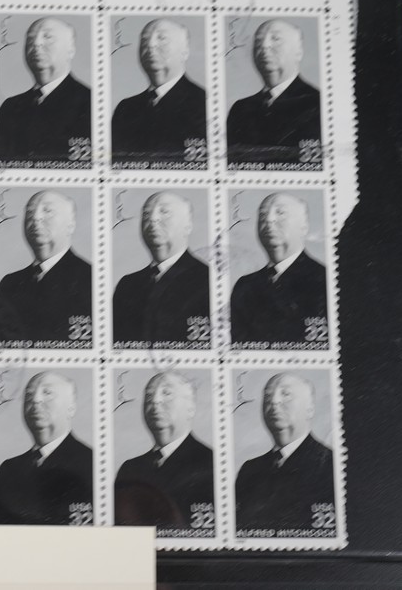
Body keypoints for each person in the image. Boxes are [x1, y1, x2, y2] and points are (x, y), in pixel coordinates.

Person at [235, 373, 334, 531]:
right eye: (267, 396)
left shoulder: (331, 465)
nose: (273, 401)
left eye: (286, 394)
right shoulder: (249, 469)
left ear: (310, 409)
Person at [114, 372, 213, 527]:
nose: (155, 401)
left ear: (191, 408)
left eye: (167, 393)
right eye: (148, 396)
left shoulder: (212, 463)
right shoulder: (129, 469)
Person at [0, 372, 93, 525]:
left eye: (47, 393)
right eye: (28, 395)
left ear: (71, 408)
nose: (35, 400)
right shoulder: (8, 469)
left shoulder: (92, 463)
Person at [0, 191, 92, 343]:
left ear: (71, 225)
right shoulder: (9, 284)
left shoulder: (91, 279)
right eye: (29, 212)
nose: (35, 217)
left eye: (48, 211)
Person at [230, 193, 327, 345]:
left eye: (281, 213)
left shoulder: (324, 280)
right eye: (262, 215)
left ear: (304, 226)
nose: (268, 220)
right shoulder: (244, 286)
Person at [112, 192, 209, 344]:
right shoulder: (127, 284)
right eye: (146, 214)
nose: (152, 219)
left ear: (188, 226)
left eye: (164, 212)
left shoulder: (208, 280)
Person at [0, 18, 91, 166]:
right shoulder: (10, 107)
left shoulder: (91, 103)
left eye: (48, 37)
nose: (36, 43)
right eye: (30, 39)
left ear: (71, 50)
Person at [226, 19, 321, 164]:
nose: (264, 46)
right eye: (258, 42)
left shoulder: (319, 104)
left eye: (276, 39)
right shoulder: (240, 108)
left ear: (299, 52)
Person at [111, 19, 207, 164]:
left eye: (162, 38)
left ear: (185, 52)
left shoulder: (204, 103)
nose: (150, 45)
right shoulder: (125, 108)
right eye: (144, 40)